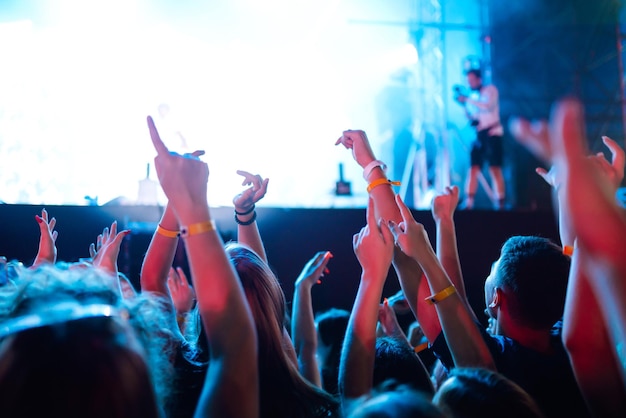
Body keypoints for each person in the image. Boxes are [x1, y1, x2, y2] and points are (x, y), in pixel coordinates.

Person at [454, 68, 506, 209]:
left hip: (493, 133)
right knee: (473, 168)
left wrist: (468, 99)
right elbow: (472, 117)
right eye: (468, 81)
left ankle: (500, 203)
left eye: (472, 80)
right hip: (480, 135)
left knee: (495, 168)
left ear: (479, 79)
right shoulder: (473, 97)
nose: (470, 83)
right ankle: (469, 203)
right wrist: (463, 105)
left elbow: (487, 106)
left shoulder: (491, 90)